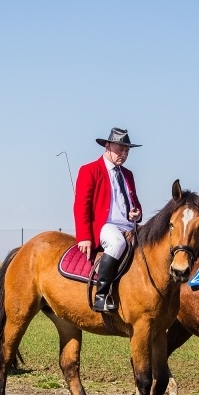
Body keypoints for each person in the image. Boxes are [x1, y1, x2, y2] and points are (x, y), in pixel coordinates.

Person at [74, 128, 143, 312]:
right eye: (120, 149)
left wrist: (136, 213)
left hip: (130, 225)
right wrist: (84, 236)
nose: (124, 154)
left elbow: (134, 202)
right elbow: (81, 205)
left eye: (127, 151)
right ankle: (101, 296)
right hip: (105, 226)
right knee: (117, 243)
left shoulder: (128, 174)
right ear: (107, 146)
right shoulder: (89, 170)